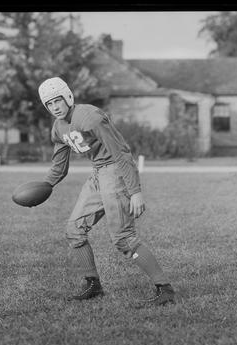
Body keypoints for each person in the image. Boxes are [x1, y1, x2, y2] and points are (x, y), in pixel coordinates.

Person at [38, 77, 175, 306]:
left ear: (68, 97)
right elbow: (59, 166)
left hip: (115, 172)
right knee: (74, 229)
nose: (55, 107)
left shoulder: (89, 116)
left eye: (57, 101)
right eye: (49, 105)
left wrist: (135, 192)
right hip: (98, 173)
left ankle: (165, 288)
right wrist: (45, 186)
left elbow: (121, 153)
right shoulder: (58, 127)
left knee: (123, 238)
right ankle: (93, 284)